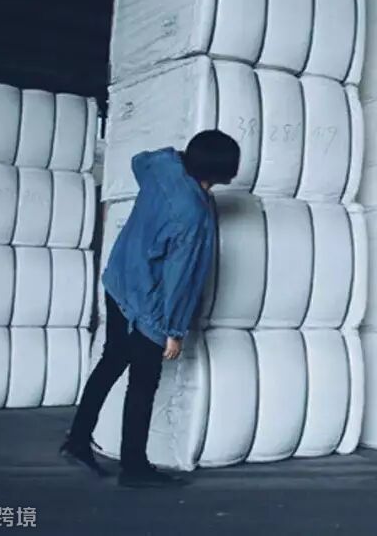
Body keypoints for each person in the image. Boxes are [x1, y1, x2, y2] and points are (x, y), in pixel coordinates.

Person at [61, 131, 239, 488]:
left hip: (120, 281)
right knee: (143, 383)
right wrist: (173, 331)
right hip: (149, 301)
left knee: (112, 361)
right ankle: (134, 468)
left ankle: (78, 440)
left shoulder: (162, 169)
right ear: (222, 172)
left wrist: (179, 157)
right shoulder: (193, 213)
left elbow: (139, 159)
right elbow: (180, 277)